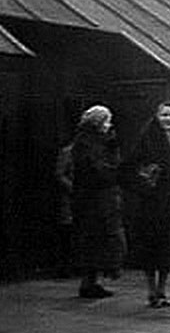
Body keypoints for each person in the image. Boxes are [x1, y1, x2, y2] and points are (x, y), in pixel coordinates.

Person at [126, 101, 170, 308]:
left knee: (167, 247)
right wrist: (145, 181)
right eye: (165, 115)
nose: (169, 119)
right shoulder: (146, 139)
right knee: (151, 247)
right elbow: (130, 167)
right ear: (157, 117)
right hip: (150, 202)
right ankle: (151, 290)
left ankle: (163, 289)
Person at [71, 105, 126, 298]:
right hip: (92, 198)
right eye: (106, 120)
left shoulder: (102, 140)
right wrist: (112, 172)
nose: (109, 124)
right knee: (93, 239)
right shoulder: (85, 142)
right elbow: (94, 168)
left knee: (99, 239)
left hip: (101, 197)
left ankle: (92, 281)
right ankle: (89, 282)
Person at [53, 141, 74, 278]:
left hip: (87, 198)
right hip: (71, 197)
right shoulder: (68, 152)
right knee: (67, 231)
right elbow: (59, 174)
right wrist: (72, 188)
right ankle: (65, 265)